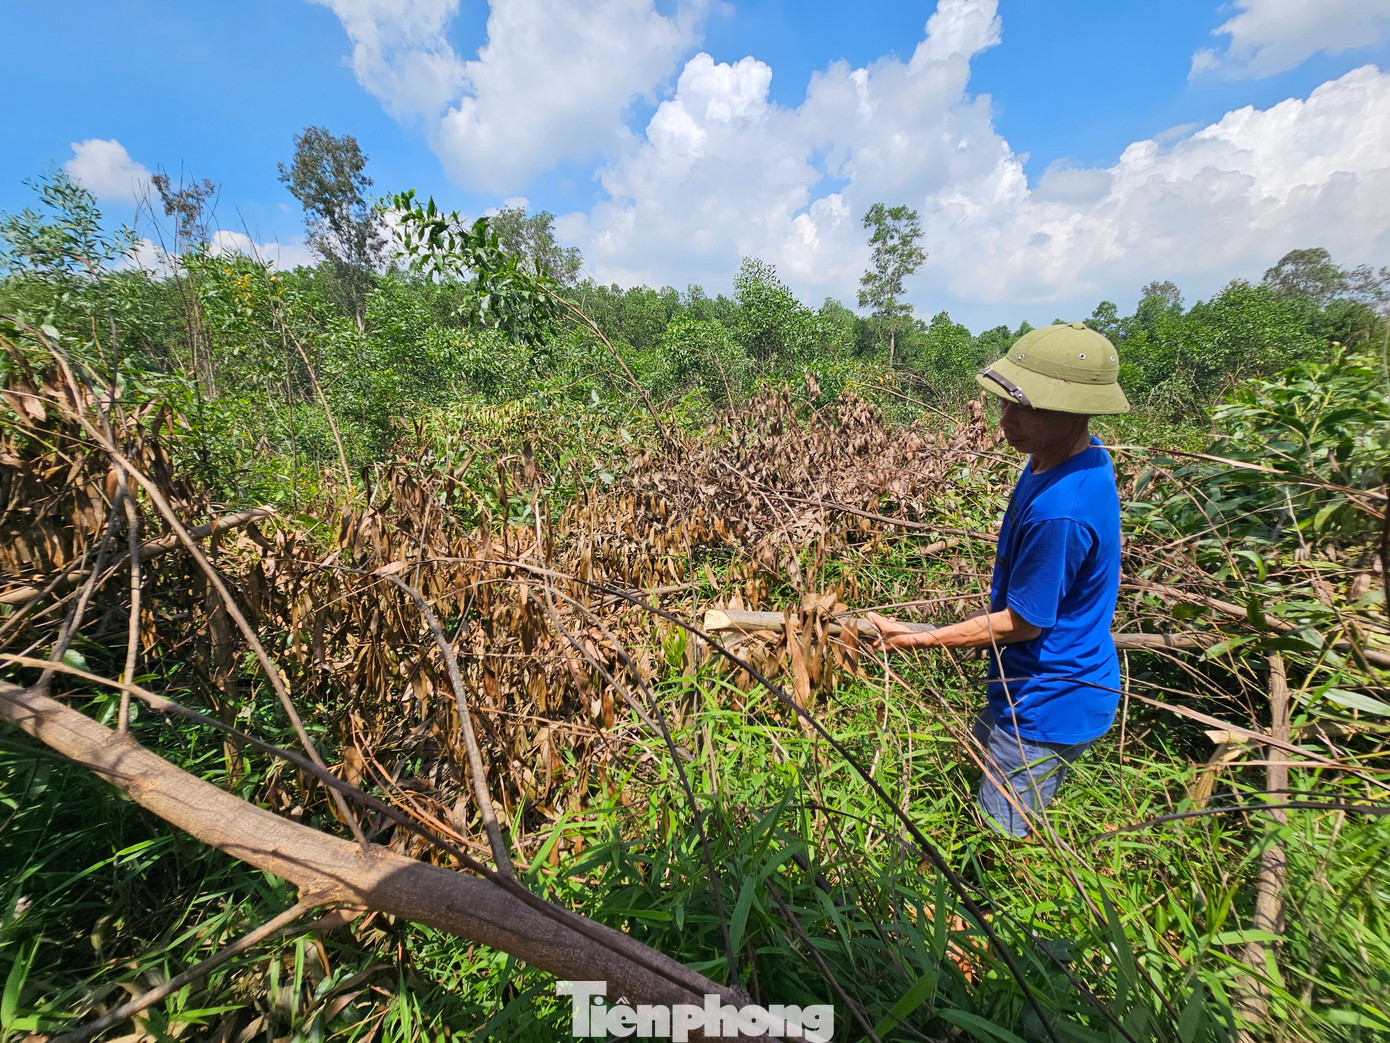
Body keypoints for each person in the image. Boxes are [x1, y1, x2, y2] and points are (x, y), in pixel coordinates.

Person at [868, 322, 1130, 839]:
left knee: (998, 838)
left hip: (1047, 698)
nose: (1006, 419)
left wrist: (918, 639)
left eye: (1026, 406)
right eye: (1006, 403)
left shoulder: (1062, 511)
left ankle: (982, 910)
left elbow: (1024, 624)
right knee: (981, 776)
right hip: (1031, 683)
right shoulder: (1069, 456)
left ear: (1075, 409)